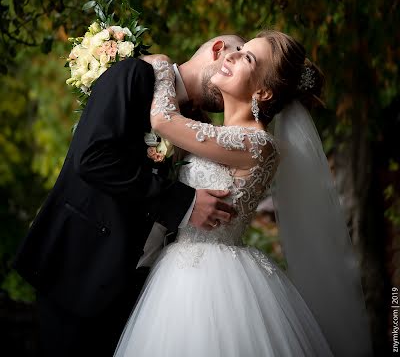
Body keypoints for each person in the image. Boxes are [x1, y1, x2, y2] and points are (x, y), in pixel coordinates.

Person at [114, 30, 373, 357]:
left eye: (246, 57)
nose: (231, 55)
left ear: (263, 91)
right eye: (238, 51)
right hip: (178, 269)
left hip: (210, 283)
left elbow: (164, 120)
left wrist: (163, 65)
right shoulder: (218, 132)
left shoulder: (259, 145)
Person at [13, 34, 246, 357]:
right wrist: (185, 203)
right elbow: (93, 158)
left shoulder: (195, 126)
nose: (238, 74)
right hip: (84, 268)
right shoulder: (135, 75)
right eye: (237, 57)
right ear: (218, 49)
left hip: (145, 290)